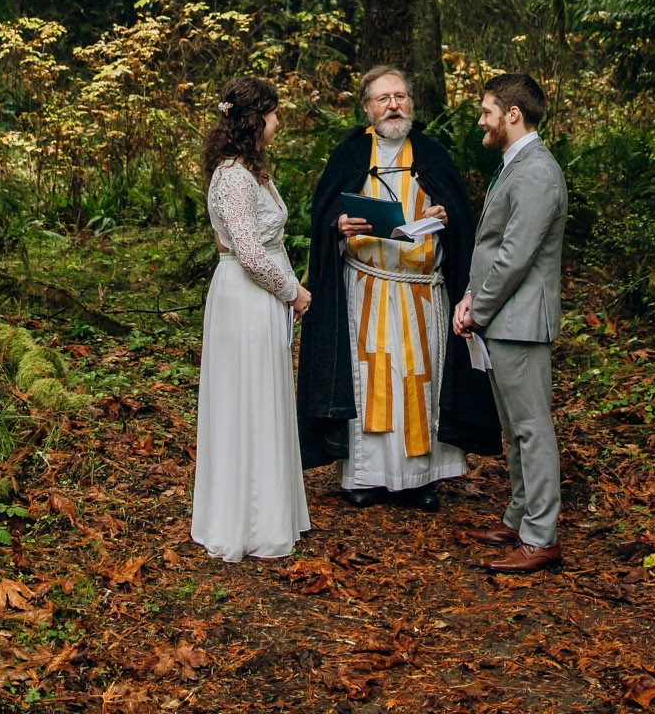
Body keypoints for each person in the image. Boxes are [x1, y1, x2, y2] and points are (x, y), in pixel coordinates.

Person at [296, 66, 500, 510]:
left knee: (420, 378)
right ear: (367, 108)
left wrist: (447, 220)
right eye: (383, 98)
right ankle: (364, 476)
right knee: (371, 377)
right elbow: (323, 219)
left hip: (421, 291)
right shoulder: (348, 157)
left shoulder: (433, 154)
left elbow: (463, 223)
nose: (394, 105)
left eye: (401, 96)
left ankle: (421, 477)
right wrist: (338, 225)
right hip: (364, 290)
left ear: (410, 103)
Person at [191, 76, 312, 562]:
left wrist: (286, 288)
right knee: (246, 400)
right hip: (244, 298)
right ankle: (245, 522)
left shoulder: (254, 171)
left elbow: (271, 245)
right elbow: (248, 254)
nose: (278, 122)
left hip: (262, 296)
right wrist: (294, 291)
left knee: (265, 399)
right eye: (274, 113)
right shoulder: (234, 177)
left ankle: (271, 512)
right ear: (254, 119)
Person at [453, 71, 568, 572]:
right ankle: (520, 517)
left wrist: (477, 308)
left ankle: (542, 538)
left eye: (486, 111)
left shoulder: (538, 172)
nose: (482, 120)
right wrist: (470, 299)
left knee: (532, 429)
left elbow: (516, 256)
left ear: (512, 115)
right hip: (502, 317)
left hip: (520, 321)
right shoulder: (515, 165)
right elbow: (495, 248)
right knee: (514, 429)